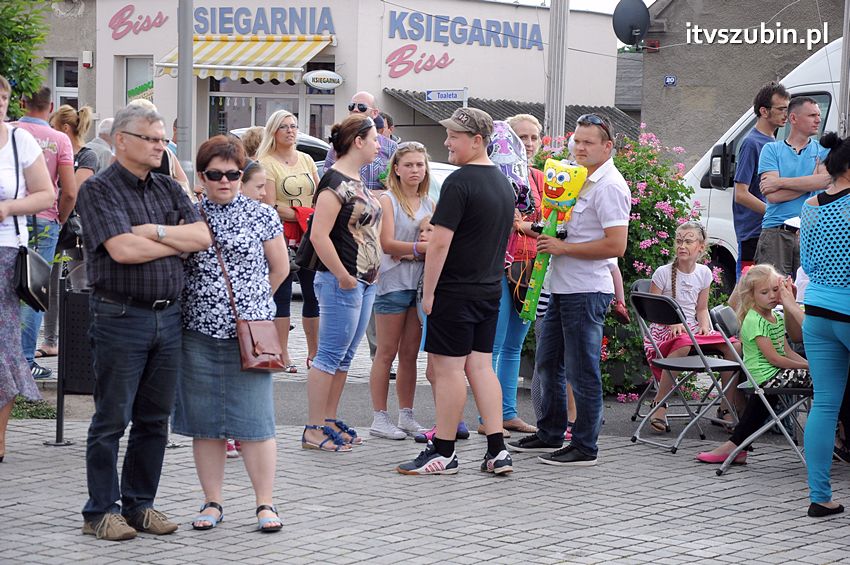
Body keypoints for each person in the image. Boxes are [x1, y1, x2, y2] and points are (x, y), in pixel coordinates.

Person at [75, 104, 211, 541]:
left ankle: (140, 505)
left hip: (167, 317)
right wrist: (174, 241)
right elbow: (121, 252)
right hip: (119, 315)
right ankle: (100, 511)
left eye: (161, 139)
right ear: (121, 140)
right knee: (111, 419)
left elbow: (202, 238)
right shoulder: (99, 189)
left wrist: (151, 231)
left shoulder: (169, 189)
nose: (160, 146)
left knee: (154, 420)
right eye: (150, 138)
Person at [172, 135, 288, 532]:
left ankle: (265, 504)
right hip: (198, 331)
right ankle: (212, 501)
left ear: (242, 174)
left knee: (256, 422)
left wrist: (253, 305)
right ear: (201, 177)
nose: (224, 181)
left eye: (233, 174)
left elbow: (280, 268)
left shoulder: (261, 214)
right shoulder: (187, 214)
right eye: (215, 174)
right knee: (206, 424)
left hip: (251, 334)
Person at [396, 107, 515, 476]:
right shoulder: (501, 182)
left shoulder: (459, 181)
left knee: (447, 371)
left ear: (477, 140)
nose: (446, 142)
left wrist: (428, 293)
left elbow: (440, 244)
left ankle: (443, 450)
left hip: (455, 290)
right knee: (481, 366)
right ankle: (497, 450)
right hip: (488, 290)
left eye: (454, 136)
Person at [507, 114, 629, 467]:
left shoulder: (609, 185)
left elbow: (616, 245)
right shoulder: (579, 178)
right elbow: (566, 230)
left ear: (607, 147)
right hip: (562, 286)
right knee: (547, 364)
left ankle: (585, 446)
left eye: (588, 142)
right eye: (577, 140)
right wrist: (531, 229)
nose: (579, 147)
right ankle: (550, 433)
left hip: (586, 290)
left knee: (581, 370)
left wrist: (563, 249)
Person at [302, 114, 383, 452]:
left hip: (364, 280)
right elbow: (319, 235)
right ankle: (313, 427)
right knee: (329, 356)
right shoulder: (334, 182)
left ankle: (329, 419)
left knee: (345, 356)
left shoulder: (358, 180)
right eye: (375, 138)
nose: (379, 144)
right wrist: (342, 275)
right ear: (358, 141)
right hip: (343, 281)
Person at [696, 265, 809, 465]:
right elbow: (775, 359)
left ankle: (737, 446)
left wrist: (810, 364)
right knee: (830, 379)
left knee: (826, 375)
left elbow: (787, 351)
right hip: (766, 376)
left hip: (775, 373)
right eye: (764, 292)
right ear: (751, 295)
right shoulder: (754, 320)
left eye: (775, 290)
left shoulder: (776, 317)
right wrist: (810, 368)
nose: (772, 296)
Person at [640, 222, 743, 432]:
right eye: (679, 241)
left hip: (693, 330)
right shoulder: (663, 272)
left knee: (735, 346)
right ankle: (660, 404)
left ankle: (726, 406)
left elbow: (702, 309)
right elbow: (652, 310)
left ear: (701, 247)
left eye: (688, 241)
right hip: (664, 329)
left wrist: (705, 326)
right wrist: (673, 322)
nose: (682, 246)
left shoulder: (704, 273)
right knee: (685, 343)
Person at [0, 74, 55, 464]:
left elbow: (47, 194)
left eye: (2, 98)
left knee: (3, 348)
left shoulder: (19, 140)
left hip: (5, 252)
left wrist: (7, 208)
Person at [368, 140, 434, 439]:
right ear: (395, 168)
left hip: (419, 287)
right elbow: (388, 244)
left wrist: (410, 252)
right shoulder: (387, 200)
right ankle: (379, 417)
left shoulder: (430, 203)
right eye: (409, 164)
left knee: (410, 354)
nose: (415, 170)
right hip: (392, 284)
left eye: (420, 164)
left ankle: (406, 415)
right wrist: (420, 248)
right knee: (385, 353)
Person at [799, 131, 850, 518]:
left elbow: (809, 266)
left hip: (817, 310)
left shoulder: (812, 206)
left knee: (826, 404)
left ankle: (820, 496)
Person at [14, 86, 77, 379]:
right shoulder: (59, 139)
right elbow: (69, 191)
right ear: (51, 106)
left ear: (21, 102)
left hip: (9, 218)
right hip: (44, 221)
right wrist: (59, 219)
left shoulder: (9, 131)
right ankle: (25, 360)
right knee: (33, 288)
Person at [257, 110, 320, 372]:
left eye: (293, 126)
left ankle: (315, 354)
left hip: (310, 233)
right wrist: (302, 213)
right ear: (273, 131)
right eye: (284, 127)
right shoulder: (265, 162)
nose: (290, 131)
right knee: (282, 293)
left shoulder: (306, 159)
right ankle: (283, 354)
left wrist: (310, 214)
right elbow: (270, 204)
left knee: (312, 292)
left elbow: (319, 194)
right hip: (280, 234)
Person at [38, 105, 98, 358]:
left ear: (64, 129)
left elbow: (75, 189)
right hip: (56, 224)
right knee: (50, 286)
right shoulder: (57, 156)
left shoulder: (87, 156)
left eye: (52, 128)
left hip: (75, 229)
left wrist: (55, 195)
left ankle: (83, 344)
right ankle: (51, 341)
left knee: (79, 285)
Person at [756, 96, 830, 276]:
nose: (818, 120)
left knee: (804, 296)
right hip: (776, 231)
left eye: (818, 115)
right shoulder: (771, 149)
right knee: (771, 296)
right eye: (812, 115)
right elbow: (772, 196)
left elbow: (825, 181)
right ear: (793, 119)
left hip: (812, 234)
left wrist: (780, 182)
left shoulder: (823, 150)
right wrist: (810, 181)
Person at [733, 82, 789, 280]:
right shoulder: (751, 143)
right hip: (752, 234)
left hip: (767, 231)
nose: (786, 114)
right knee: (746, 291)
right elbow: (740, 194)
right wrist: (775, 213)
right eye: (781, 109)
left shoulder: (773, 142)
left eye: (787, 108)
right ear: (764, 111)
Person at [324, 91, 397, 191]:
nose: (355, 109)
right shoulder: (339, 144)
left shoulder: (391, 147)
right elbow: (328, 183)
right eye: (351, 106)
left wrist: (377, 195)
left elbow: (399, 185)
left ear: (375, 113)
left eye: (361, 107)